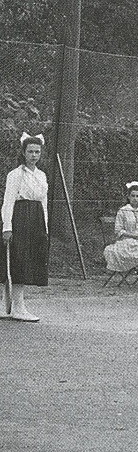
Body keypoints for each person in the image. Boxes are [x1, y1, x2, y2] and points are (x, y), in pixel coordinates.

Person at [0, 132, 50, 322]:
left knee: (28, 261)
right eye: (30, 151)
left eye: (37, 152)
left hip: (35, 220)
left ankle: (18, 307)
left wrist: (44, 226)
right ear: (23, 152)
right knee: (16, 261)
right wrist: (7, 227)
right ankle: (13, 307)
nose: (34, 155)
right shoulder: (15, 175)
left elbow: (43, 202)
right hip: (19, 219)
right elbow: (8, 202)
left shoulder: (42, 175)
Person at [103, 182, 138, 290]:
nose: (135, 198)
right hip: (126, 242)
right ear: (128, 197)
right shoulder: (123, 211)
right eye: (132, 196)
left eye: (137, 196)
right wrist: (133, 235)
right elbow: (118, 231)